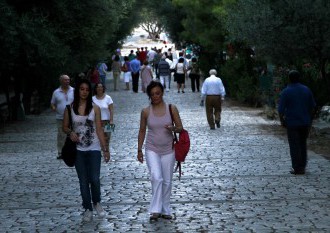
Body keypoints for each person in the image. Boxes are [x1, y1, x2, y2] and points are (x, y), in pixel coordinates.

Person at [62, 79, 110, 222]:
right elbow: (64, 127)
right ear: (78, 91)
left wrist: (105, 149)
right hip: (78, 150)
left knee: (94, 179)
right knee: (83, 181)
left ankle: (97, 202)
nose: (84, 92)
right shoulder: (69, 108)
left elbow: (100, 129)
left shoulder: (95, 108)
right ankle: (87, 208)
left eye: (87, 90)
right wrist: (70, 132)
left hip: (94, 148)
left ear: (90, 92)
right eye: (82, 89)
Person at [137, 81, 183, 221]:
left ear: (162, 93)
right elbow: (142, 130)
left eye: (158, 93)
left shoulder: (171, 108)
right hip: (152, 149)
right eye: (152, 94)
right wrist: (139, 149)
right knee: (156, 177)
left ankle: (165, 209)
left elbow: (180, 128)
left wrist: (173, 128)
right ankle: (155, 209)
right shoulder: (146, 111)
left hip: (169, 149)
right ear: (149, 96)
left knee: (167, 181)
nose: (155, 96)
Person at [278, 70, 316, 175]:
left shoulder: (286, 91)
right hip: (305, 122)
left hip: (292, 123)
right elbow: (313, 106)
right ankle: (302, 166)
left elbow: (281, 110)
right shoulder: (306, 89)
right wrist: (310, 119)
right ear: (299, 78)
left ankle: (297, 167)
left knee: (294, 145)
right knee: (303, 144)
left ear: (289, 79)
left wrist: (282, 121)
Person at [50, 74, 74, 159]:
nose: (67, 81)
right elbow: (52, 103)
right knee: (61, 135)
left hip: (72, 117)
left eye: (68, 80)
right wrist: (54, 108)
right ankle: (61, 152)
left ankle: (73, 151)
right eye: (65, 80)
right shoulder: (56, 92)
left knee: (73, 133)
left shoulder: (73, 90)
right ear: (61, 81)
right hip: (60, 117)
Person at [92, 82, 114, 151]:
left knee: (107, 137)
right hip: (97, 121)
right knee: (98, 137)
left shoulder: (108, 98)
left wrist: (111, 120)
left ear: (103, 88)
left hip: (107, 121)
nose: (99, 88)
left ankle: (106, 150)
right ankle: (99, 150)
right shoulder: (92, 99)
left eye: (101, 87)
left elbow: (111, 110)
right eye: (98, 87)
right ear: (95, 89)